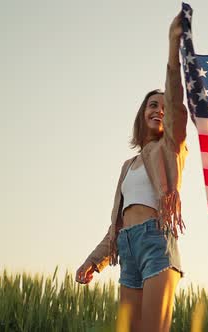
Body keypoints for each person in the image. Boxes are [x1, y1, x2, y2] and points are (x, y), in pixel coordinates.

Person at [75, 13, 188, 332]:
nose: (159, 109)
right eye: (152, 105)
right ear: (142, 115)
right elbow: (117, 223)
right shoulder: (128, 167)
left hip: (155, 241)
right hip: (127, 247)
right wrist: (93, 261)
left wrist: (171, 46)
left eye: (163, 107)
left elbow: (176, 102)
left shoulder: (170, 147)